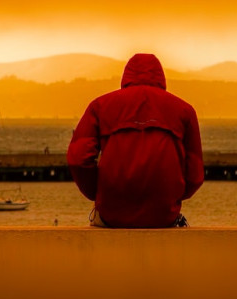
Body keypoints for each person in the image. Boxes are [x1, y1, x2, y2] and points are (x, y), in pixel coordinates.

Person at [67, 53, 204, 228]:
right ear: (161, 77)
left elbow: (78, 159)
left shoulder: (99, 106)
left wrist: (98, 193)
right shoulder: (185, 111)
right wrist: (172, 197)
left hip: (112, 214)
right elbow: (195, 173)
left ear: (126, 76)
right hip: (163, 215)